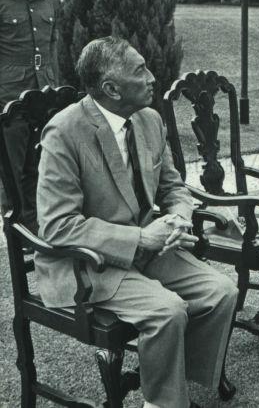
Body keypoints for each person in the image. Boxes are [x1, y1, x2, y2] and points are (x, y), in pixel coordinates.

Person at [36, 37, 239, 408]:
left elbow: (173, 187)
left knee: (220, 292)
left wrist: (179, 218)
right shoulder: (64, 132)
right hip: (88, 264)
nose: (152, 78)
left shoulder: (149, 120)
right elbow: (57, 225)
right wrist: (140, 238)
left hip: (149, 251)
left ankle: (170, 388)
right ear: (112, 89)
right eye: (140, 70)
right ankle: (163, 402)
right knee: (168, 310)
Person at [0, 0, 61, 228]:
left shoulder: (50, 1)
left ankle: (36, 229)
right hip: (9, 97)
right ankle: (15, 233)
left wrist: (56, 92)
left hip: (44, 96)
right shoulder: (1, 1)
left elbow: (53, 49)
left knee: (40, 165)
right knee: (10, 169)